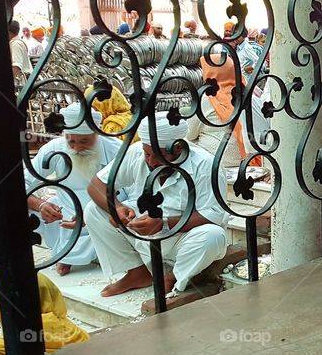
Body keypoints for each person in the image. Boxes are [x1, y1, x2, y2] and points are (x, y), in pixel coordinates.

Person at [0, 102, 122, 313]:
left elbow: (131, 199)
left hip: (103, 216)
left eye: (84, 141)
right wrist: (41, 205)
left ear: (97, 135)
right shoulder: (55, 148)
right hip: (62, 216)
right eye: (71, 141)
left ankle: (72, 256)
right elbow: (16, 184)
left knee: (102, 216)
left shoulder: (117, 151)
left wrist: (96, 212)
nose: (76, 147)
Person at [84, 111, 229, 297]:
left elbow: (214, 216)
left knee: (213, 236)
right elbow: (96, 185)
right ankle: (138, 272)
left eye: (156, 156)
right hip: (143, 232)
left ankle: (174, 277)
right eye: (147, 154)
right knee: (94, 210)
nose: (150, 161)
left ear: (177, 149)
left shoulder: (205, 164)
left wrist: (165, 222)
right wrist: (118, 208)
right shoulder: (138, 152)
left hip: (182, 237)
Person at [187, 54, 244, 167]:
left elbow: (189, 133)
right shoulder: (246, 93)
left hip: (215, 160)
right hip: (244, 158)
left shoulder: (208, 99)